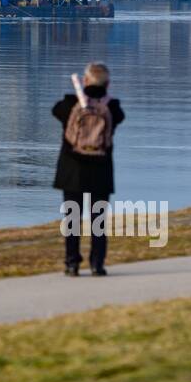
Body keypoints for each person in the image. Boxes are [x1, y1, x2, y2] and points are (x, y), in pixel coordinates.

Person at [51, 62, 125, 277]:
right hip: (100, 169)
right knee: (98, 220)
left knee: (72, 218)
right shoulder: (113, 107)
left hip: (72, 168)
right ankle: (97, 263)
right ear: (108, 84)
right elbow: (118, 120)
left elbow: (55, 111)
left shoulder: (70, 104)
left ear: (84, 81)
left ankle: (72, 263)